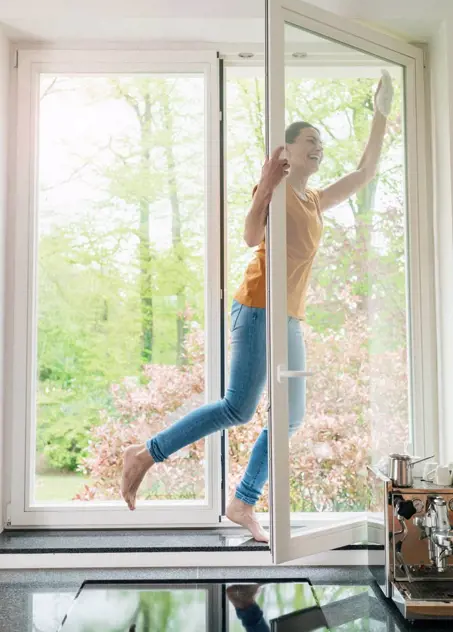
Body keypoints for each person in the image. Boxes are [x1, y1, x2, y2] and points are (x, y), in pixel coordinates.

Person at [121, 73, 393, 542]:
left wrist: (382, 112)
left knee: (281, 414)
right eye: (310, 140)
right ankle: (146, 455)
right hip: (257, 308)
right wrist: (267, 184)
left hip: (285, 316)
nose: (319, 147)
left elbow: (366, 172)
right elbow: (251, 236)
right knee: (240, 409)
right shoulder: (278, 188)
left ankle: (240, 499)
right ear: (286, 150)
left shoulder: (312, 199)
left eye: (321, 143)